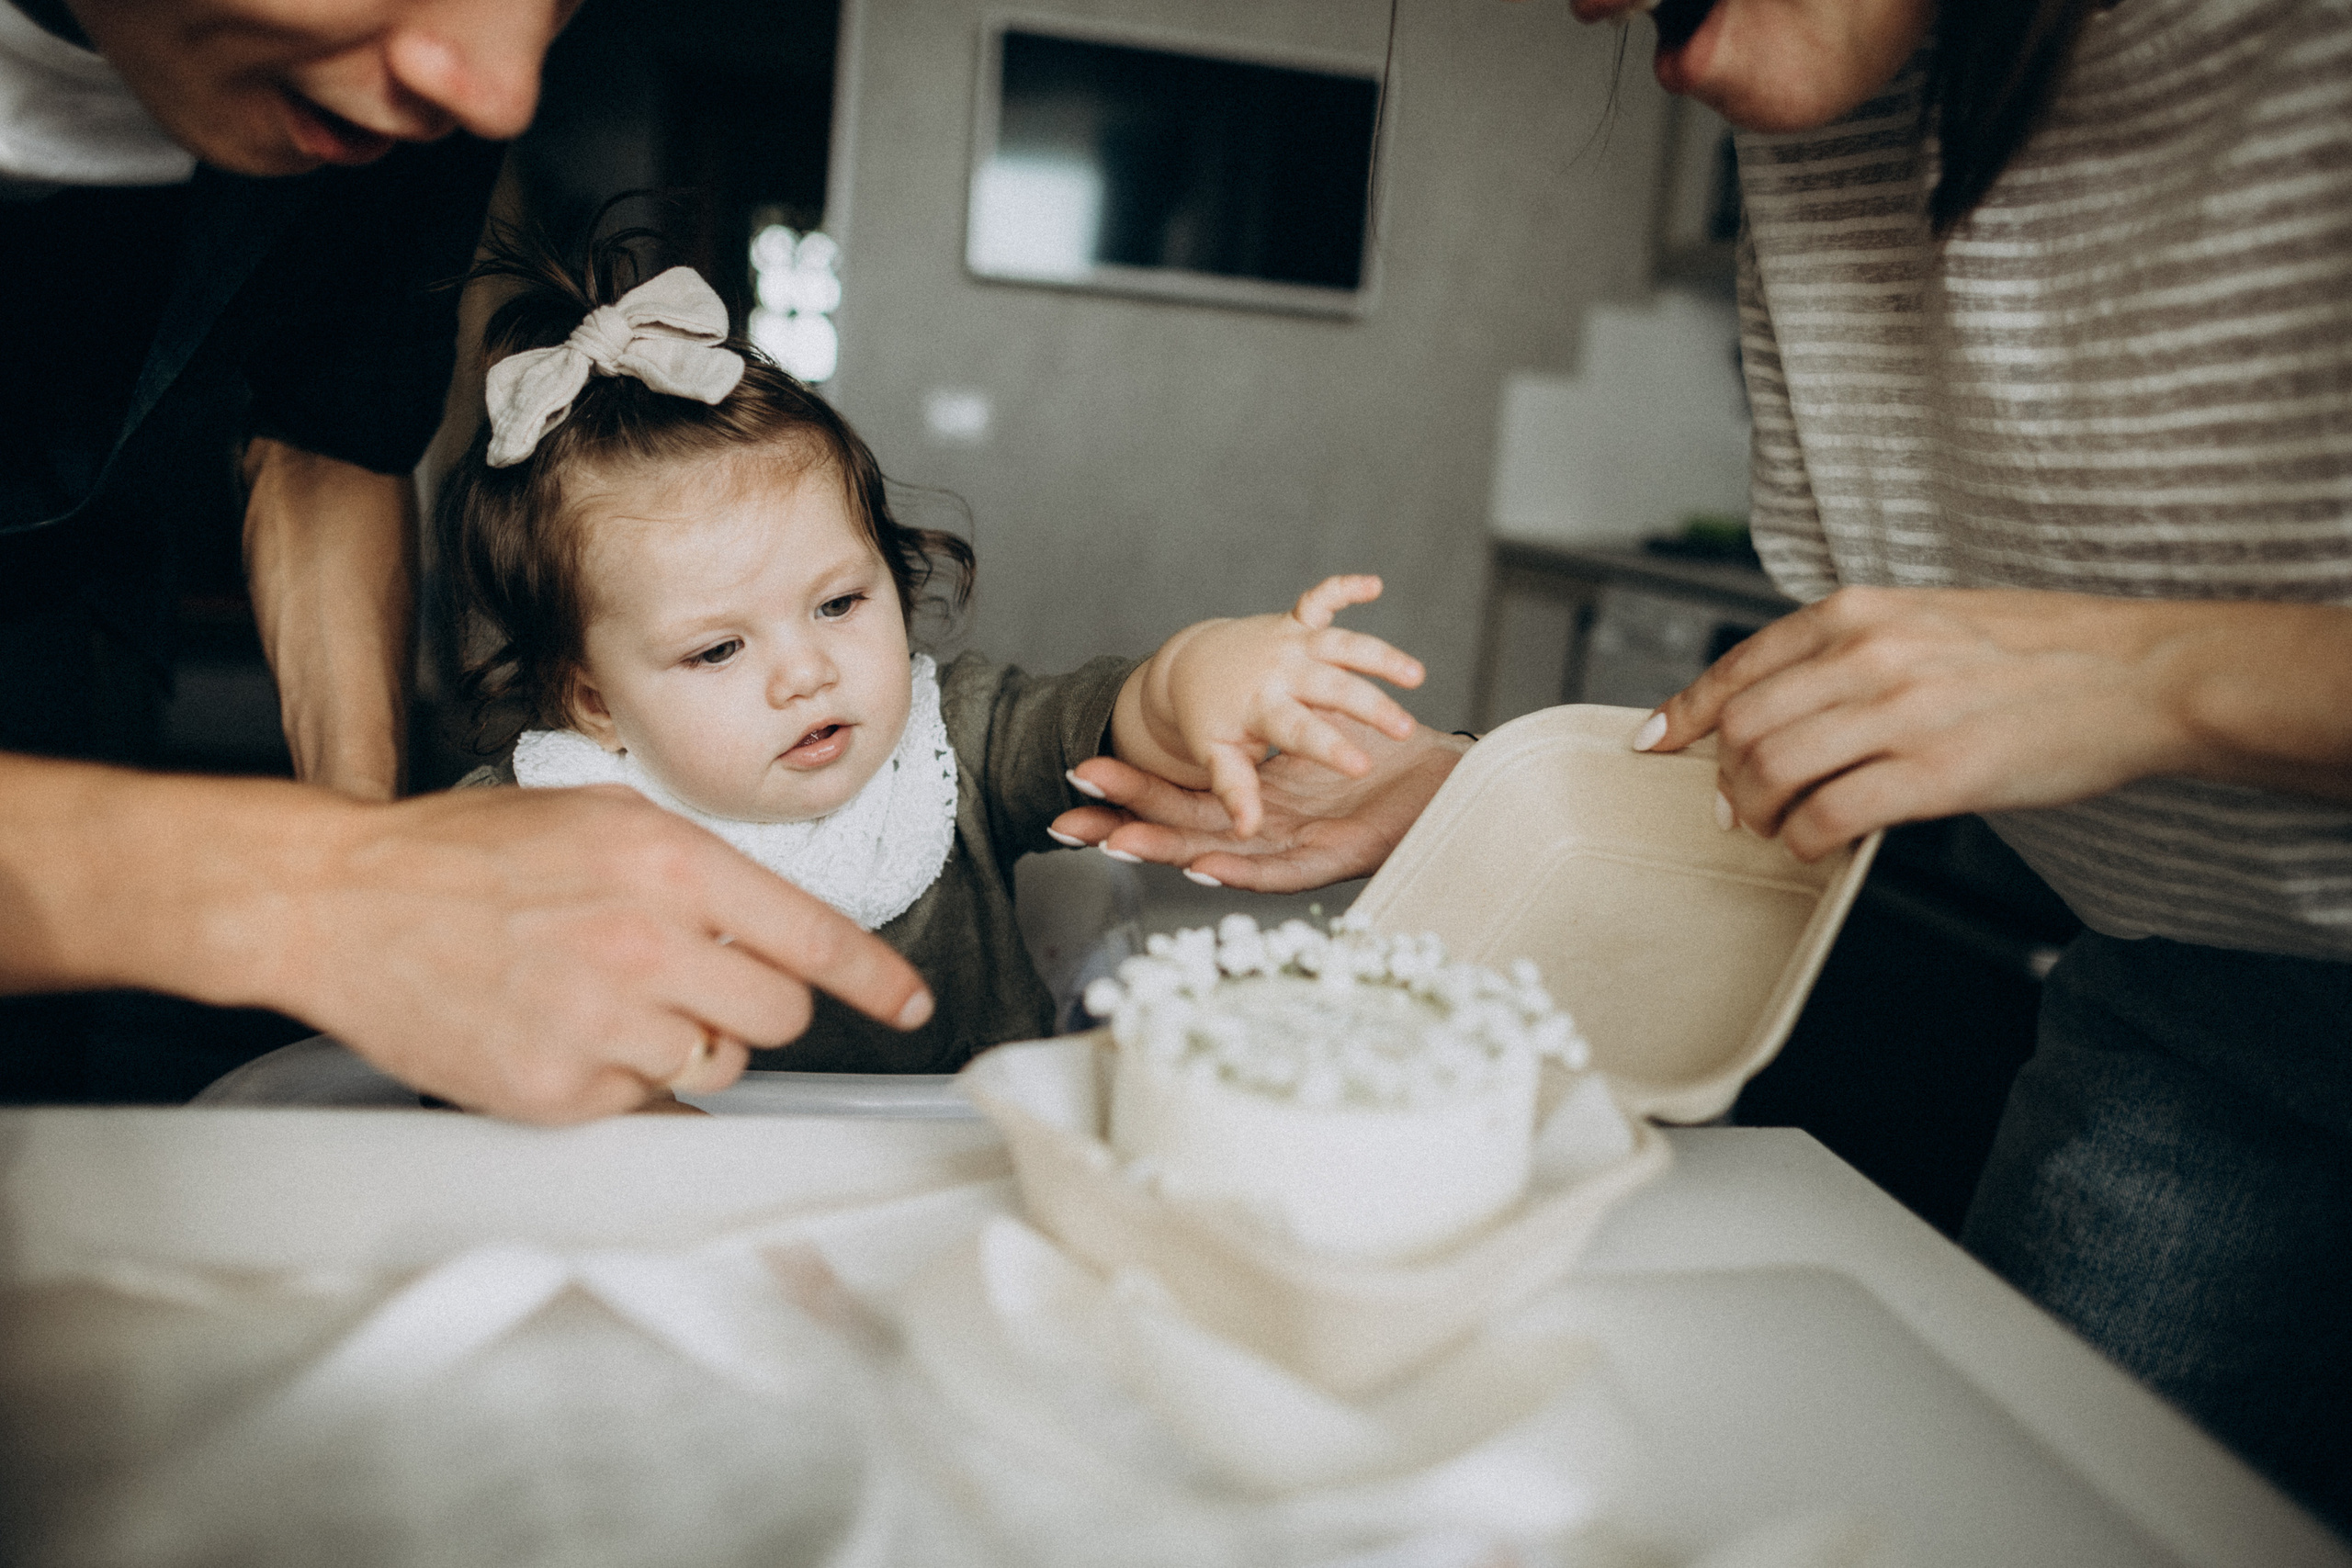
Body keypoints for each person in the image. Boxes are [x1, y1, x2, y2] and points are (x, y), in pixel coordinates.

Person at [1083, 0, 2352, 1529]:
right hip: (2177, 994)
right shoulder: (1824, 130)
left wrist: (2150, 669)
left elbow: (2098, 676)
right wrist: (1490, 801)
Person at [0, 0, 935, 1119]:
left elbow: (330, 431)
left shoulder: (411, 89)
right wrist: (304, 891)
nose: (500, 96)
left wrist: (374, 873)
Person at [436, 229, 1431, 1072]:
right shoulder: (533, 823)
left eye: (836, 603)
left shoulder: (948, 741)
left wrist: (1192, 676)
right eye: (717, 652)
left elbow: (1096, 723)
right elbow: (432, 991)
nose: (805, 672)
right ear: (595, 702)